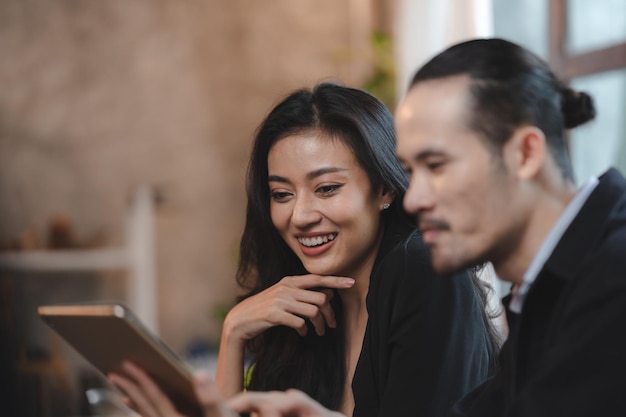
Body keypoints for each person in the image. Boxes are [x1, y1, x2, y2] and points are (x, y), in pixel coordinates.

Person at [199, 37, 626, 417]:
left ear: (525, 153)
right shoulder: (544, 295)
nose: (416, 197)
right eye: (411, 170)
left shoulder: (611, 276)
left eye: (436, 165)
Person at [109, 82, 499, 417]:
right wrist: (234, 333)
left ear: (384, 189)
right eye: (281, 194)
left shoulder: (422, 267)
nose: (299, 216)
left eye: (327, 188)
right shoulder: (304, 313)